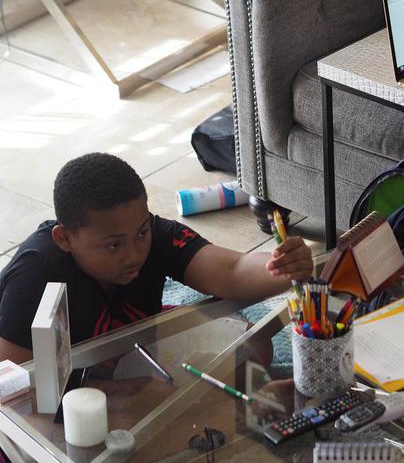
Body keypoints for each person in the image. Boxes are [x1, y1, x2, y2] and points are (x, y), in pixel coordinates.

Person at [0, 153, 314, 364]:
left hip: (134, 341)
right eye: (113, 246)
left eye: (140, 234)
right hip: (68, 378)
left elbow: (231, 271)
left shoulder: (154, 234)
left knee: (252, 347)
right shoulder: (35, 275)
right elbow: (12, 389)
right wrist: (117, 393)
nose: (134, 254)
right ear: (65, 238)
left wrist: (280, 266)